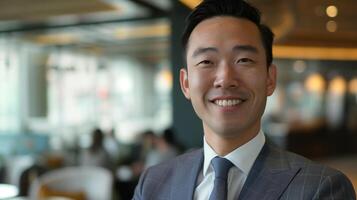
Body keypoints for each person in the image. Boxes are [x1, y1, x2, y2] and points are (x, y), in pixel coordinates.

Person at [133, 0, 356, 199]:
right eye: (206, 62)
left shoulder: (322, 189)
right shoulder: (153, 183)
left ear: (269, 78)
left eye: (244, 60)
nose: (225, 79)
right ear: (186, 84)